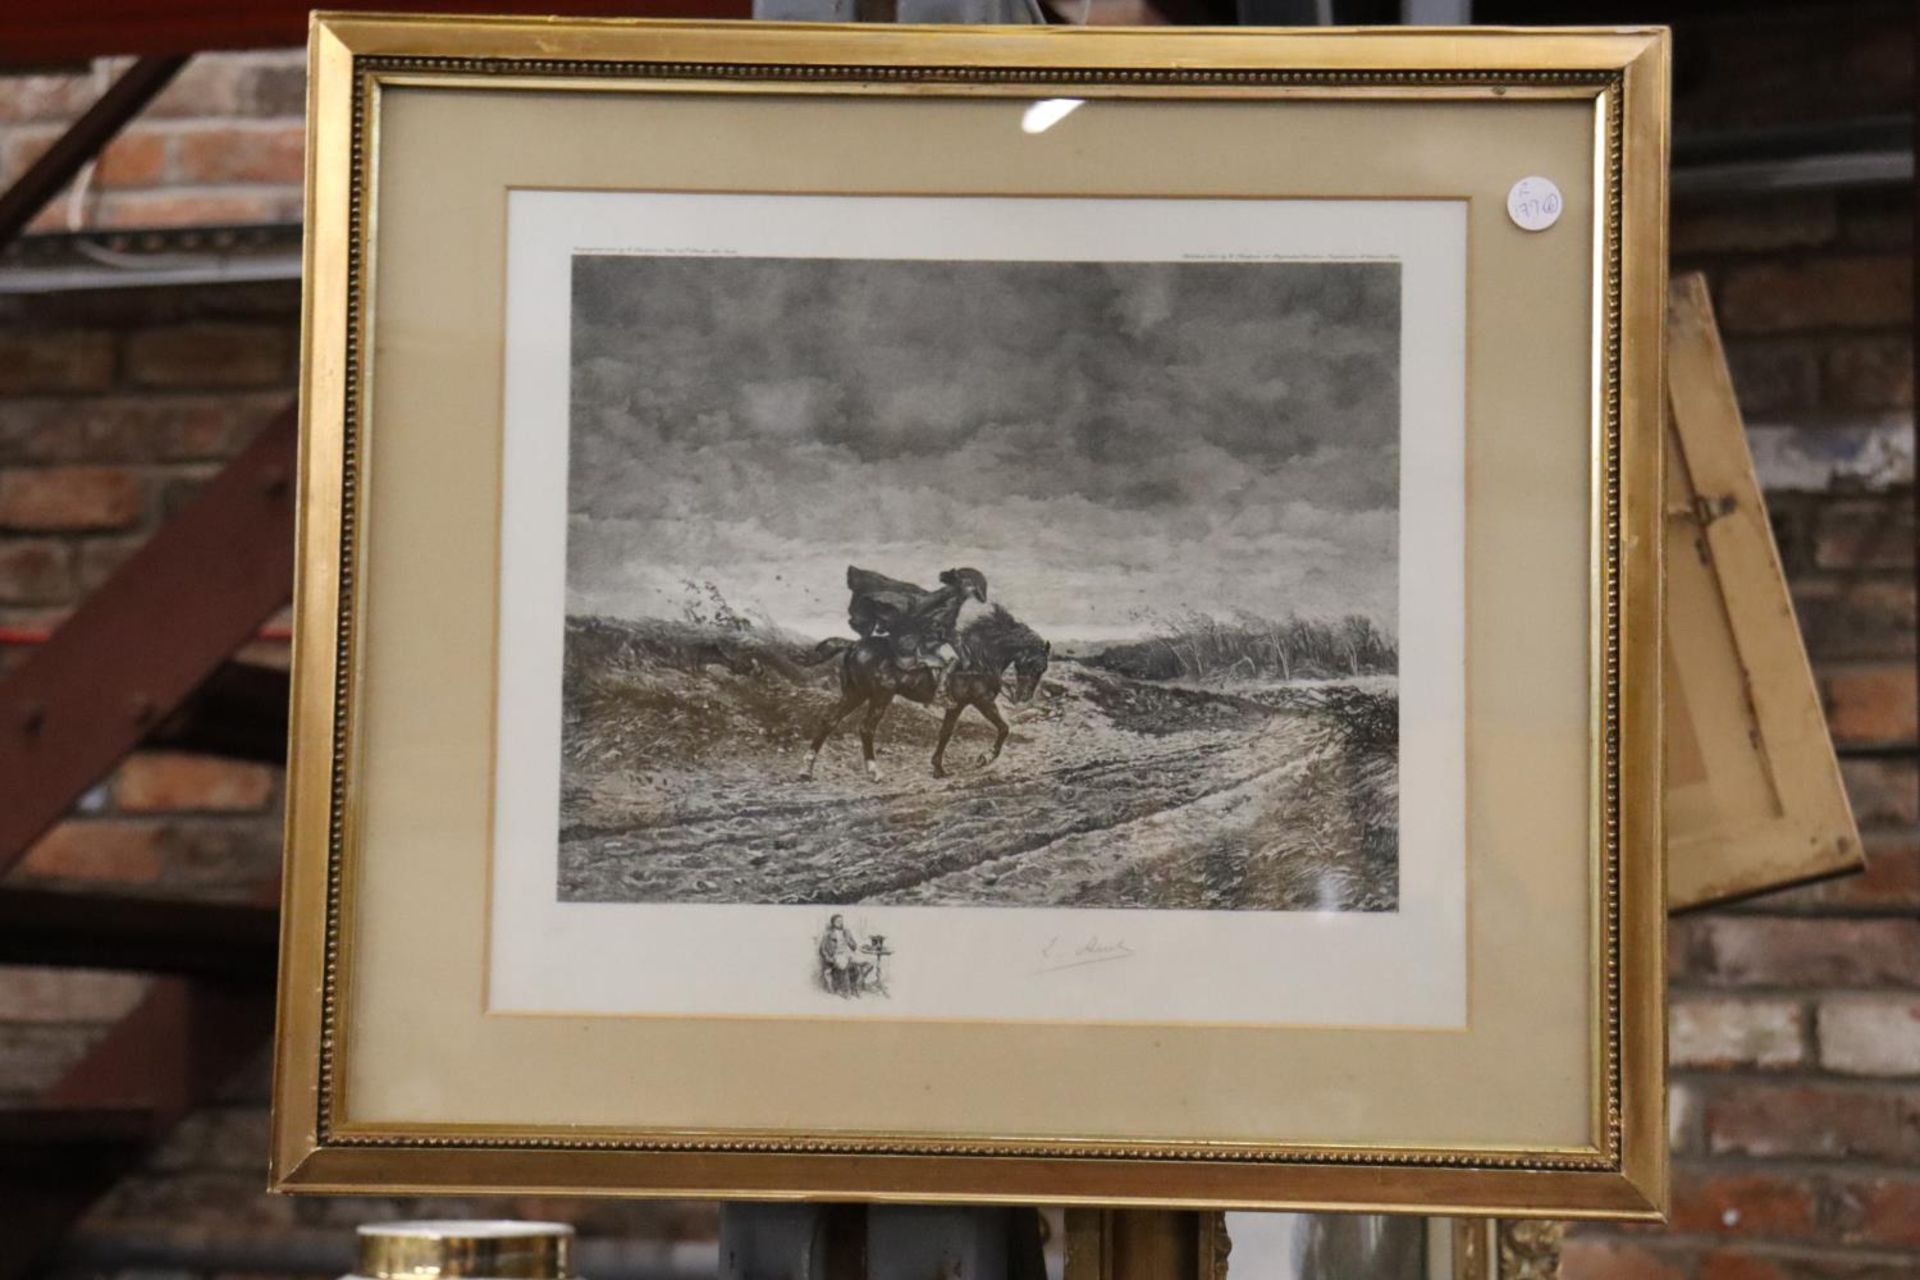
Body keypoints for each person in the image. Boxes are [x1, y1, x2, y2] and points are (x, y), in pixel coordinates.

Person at [845, 565, 989, 701]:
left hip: (916, 635)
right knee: (953, 656)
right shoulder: (952, 598)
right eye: (972, 589)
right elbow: (939, 622)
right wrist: (954, 640)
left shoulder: (949, 594)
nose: (972, 594)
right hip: (916, 639)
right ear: (964, 584)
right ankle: (941, 694)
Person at [819, 914, 868, 996]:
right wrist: (829, 959)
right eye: (838, 921)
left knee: (867, 964)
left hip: (849, 953)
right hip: (837, 955)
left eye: (841, 921)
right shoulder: (828, 933)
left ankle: (856, 987)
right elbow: (822, 949)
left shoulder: (847, 932)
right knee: (844, 966)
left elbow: (854, 946)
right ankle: (847, 991)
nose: (840, 922)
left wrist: (849, 942)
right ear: (833, 922)